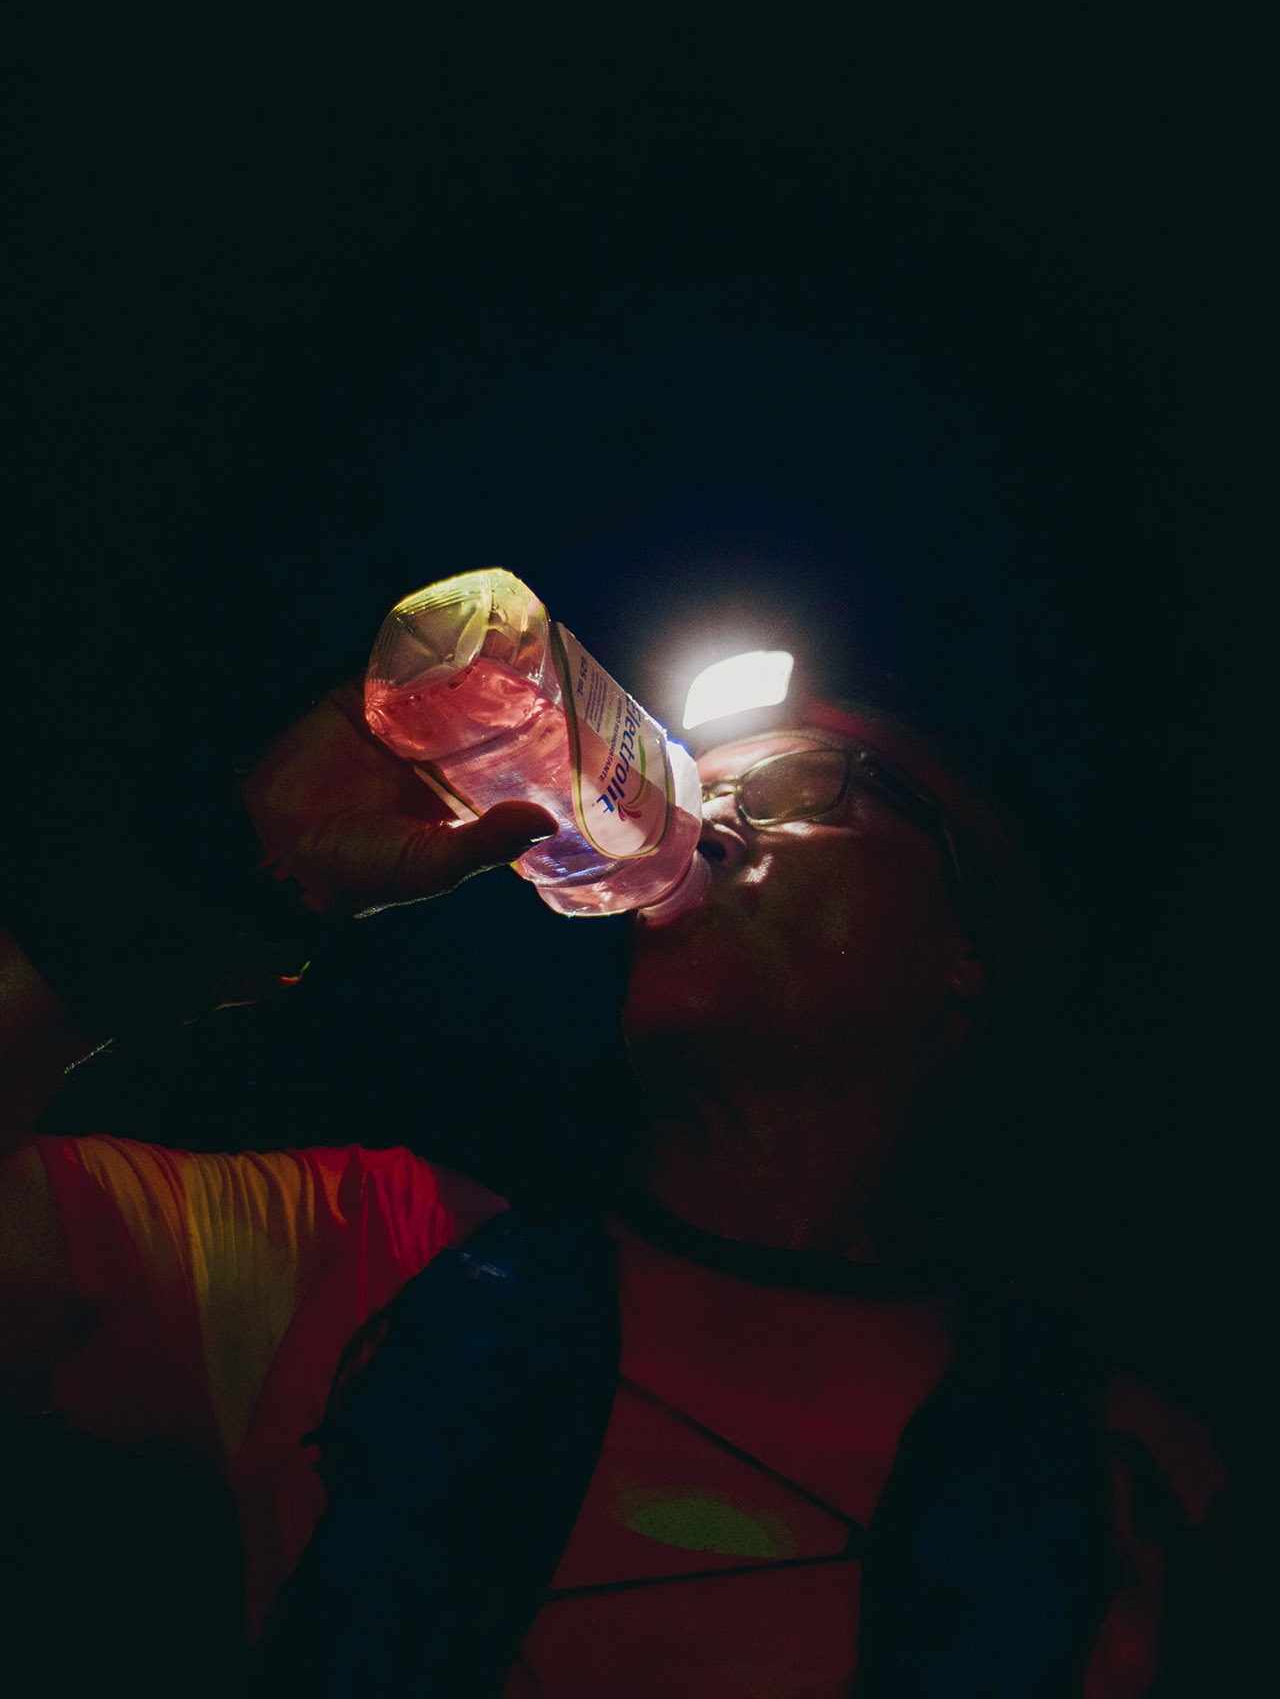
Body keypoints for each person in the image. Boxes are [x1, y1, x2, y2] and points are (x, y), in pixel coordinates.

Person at [0, 673, 1225, 1695]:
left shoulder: (1113, 1473)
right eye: (693, 799)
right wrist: (230, 868)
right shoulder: (370, 1255)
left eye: (798, 791)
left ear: (965, 952)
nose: (704, 830)